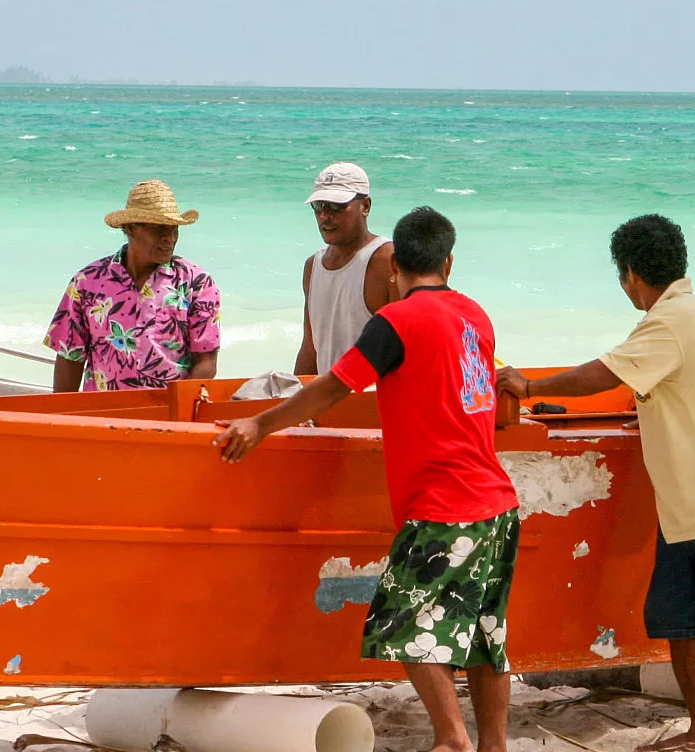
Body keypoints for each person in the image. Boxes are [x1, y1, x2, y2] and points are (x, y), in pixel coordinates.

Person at [215, 207, 517, 752]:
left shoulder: (397, 321)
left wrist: (260, 422)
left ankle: (452, 739)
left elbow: (335, 386)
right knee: (483, 637)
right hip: (497, 502)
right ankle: (493, 744)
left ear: (395, 262)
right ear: (449, 260)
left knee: (403, 622)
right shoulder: (476, 315)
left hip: (444, 503)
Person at [494, 214, 695, 749]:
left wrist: (530, 386)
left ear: (630, 273)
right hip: (685, 503)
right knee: (679, 620)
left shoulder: (674, 320)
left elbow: (607, 373)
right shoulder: (681, 316)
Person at [45, 180, 220, 392]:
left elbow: (206, 363)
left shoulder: (196, 283)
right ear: (130, 228)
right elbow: (69, 357)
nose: (169, 239)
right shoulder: (87, 282)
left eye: (174, 229)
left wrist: (173, 410)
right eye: (158, 229)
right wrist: (65, 418)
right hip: (103, 414)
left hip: (169, 414)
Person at [296, 162, 396, 376]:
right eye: (318, 206)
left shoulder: (387, 260)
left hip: (373, 404)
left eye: (335, 206)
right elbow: (311, 348)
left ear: (365, 206)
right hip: (328, 405)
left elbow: (408, 346)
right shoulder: (312, 266)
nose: (324, 215)